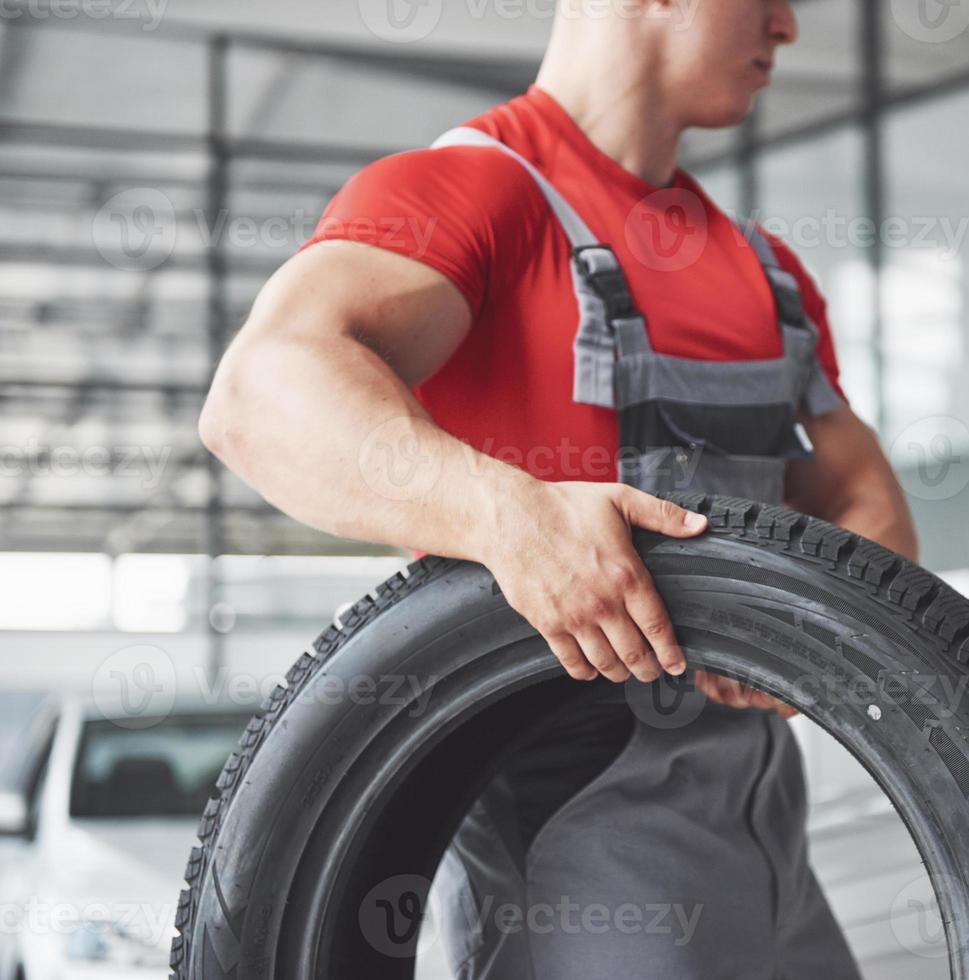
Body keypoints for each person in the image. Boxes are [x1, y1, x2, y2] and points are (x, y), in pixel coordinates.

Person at [198, 0, 918, 976]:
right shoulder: (472, 192)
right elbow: (260, 395)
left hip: (765, 820)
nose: (787, 28)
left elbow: (868, 501)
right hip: (572, 811)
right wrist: (512, 517)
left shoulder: (766, 269)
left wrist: (805, 624)